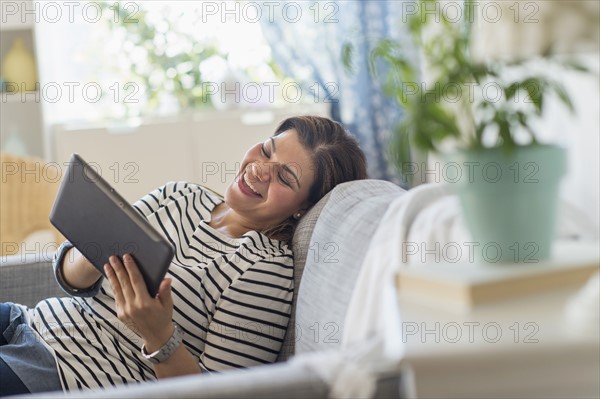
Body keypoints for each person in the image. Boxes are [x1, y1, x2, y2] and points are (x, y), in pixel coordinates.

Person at [0, 115, 368, 396]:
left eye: (285, 177)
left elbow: (212, 393)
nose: (259, 169)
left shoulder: (266, 271)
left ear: (301, 210)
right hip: (27, 321)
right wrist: (91, 251)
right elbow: (68, 279)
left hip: (63, 372)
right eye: (267, 150)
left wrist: (158, 334)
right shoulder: (182, 194)